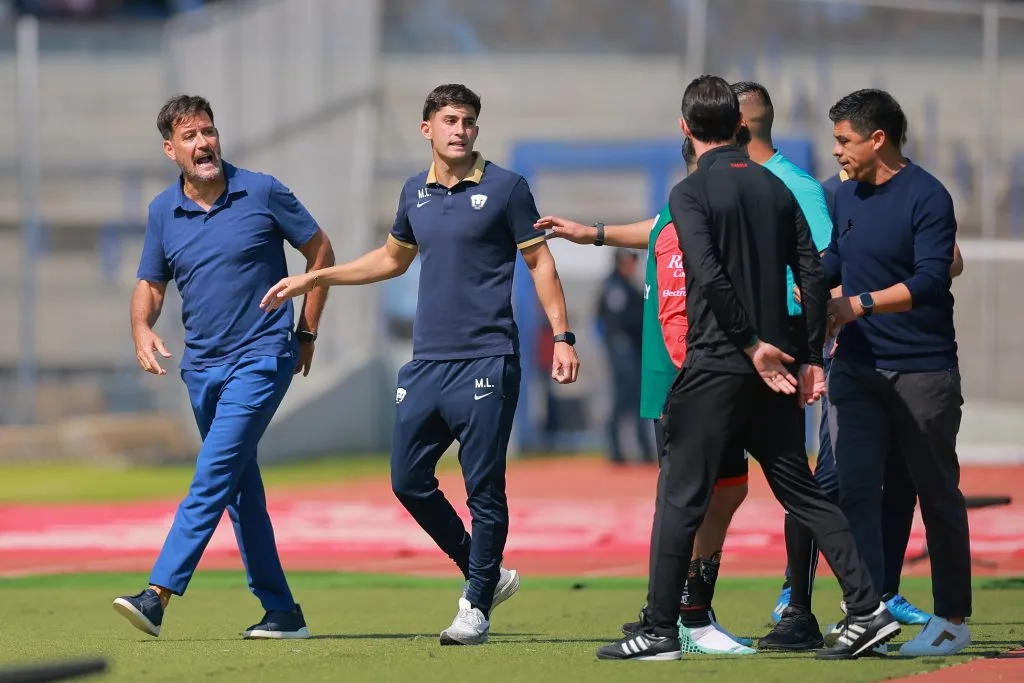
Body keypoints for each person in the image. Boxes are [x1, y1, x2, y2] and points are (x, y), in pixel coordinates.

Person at [260, 83, 580, 646]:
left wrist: (563, 337)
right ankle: (485, 573)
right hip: (427, 362)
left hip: (487, 357)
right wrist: (318, 277)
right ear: (427, 128)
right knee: (407, 480)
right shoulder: (414, 193)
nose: (461, 129)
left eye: (470, 121)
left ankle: (474, 605)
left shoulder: (507, 188)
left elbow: (541, 265)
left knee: (484, 488)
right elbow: (390, 259)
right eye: (451, 120)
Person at [595, 75, 897, 662]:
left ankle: (659, 631)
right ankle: (867, 609)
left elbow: (706, 274)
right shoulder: (775, 187)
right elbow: (812, 273)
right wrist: (808, 356)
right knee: (803, 493)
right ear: (738, 128)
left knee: (680, 498)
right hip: (779, 367)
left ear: (685, 129)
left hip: (717, 364)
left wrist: (748, 343)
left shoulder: (688, 194)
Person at [113, 95, 335, 639]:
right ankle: (282, 612)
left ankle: (158, 595)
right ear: (171, 149)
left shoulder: (262, 191)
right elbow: (151, 283)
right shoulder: (163, 211)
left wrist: (305, 330)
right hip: (201, 370)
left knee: (212, 475)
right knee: (238, 489)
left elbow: (321, 251)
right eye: (189, 137)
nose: (203, 144)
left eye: (208, 132)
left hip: (262, 358)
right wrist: (141, 326)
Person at [536, 137, 755, 656]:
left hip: (729, 375)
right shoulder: (684, 212)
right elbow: (657, 232)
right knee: (691, 497)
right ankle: (681, 617)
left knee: (730, 489)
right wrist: (591, 234)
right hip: (688, 382)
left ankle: (686, 613)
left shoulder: (749, 202)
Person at [822, 88, 971, 656]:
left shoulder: (928, 196)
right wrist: (802, 286)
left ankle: (953, 618)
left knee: (936, 495)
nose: (837, 151)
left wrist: (855, 305)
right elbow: (838, 260)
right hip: (855, 369)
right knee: (854, 492)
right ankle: (868, 613)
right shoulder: (843, 196)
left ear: (877, 137)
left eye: (844, 140)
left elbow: (933, 278)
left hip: (923, 372)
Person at [595, 249, 652, 464]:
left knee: (634, 400)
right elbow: (619, 320)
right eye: (630, 261)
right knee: (624, 399)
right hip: (623, 351)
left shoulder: (627, 285)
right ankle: (616, 450)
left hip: (631, 350)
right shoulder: (615, 286)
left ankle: (639, 449)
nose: (633, 265)